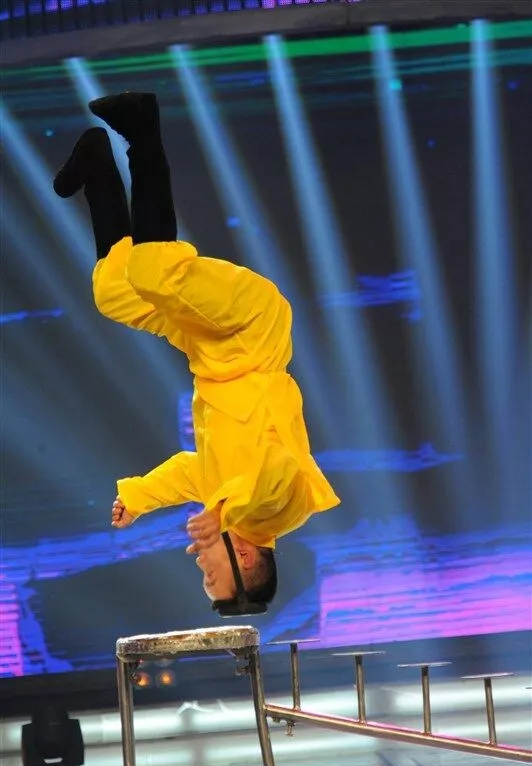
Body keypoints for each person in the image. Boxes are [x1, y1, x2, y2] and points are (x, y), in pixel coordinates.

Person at [53, 92, 340, 613]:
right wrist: (225, 510)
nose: (199, 561)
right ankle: (141, 130)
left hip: (211, 353)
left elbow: (190, 471)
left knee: (115, 293)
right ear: (245, 558)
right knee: (156, 272)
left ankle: (96, 164)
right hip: (251, 331)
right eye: (212, 572)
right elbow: (274, 470)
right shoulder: (281, 512)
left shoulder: (221, 493)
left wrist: (138, 497)